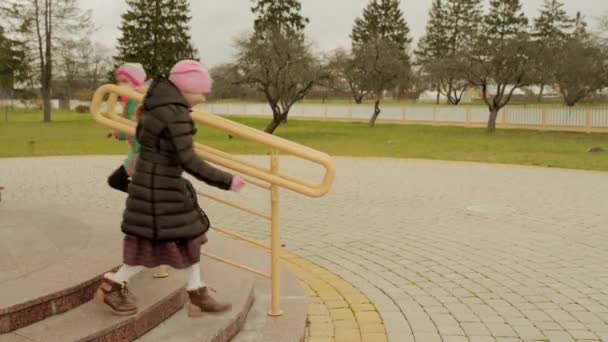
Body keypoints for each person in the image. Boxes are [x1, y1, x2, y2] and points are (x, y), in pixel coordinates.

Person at [95, 60, 246, 317]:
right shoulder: (175, 115)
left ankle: (196, 291)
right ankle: (113, 285)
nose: (204, 96)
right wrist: (227, 180)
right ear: (187, 89)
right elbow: (189, 160)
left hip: (158, 189)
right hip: (159, 192)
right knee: (156, 246)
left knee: (188, 238)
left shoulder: (158, 107)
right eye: (201, 91)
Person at [107, 63, 147, 193]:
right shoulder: (129, 102)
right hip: (137, 151)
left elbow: (134, 127)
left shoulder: (139, 101)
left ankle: (145, 197)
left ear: (136, 83)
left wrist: (119, 132)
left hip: (143, 153)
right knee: (117, 181)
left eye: (125, 81)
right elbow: (127, 128)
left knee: (116, 180)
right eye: (119, 82)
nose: (120, 85)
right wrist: (117, 133)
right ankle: (145, 197)